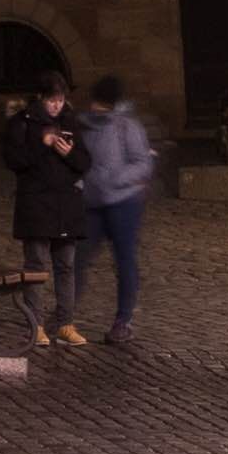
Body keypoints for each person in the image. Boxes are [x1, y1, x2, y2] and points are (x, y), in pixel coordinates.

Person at [2, 75, 100, 345]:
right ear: (41, 98)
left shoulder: (71, 121)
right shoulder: (22, 123)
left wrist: (69, 153)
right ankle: (36, 326)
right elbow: (14, 160)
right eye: (52, 100)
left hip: (66, 206)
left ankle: (65, 324)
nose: (57, 105)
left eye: (60, 100)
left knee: (66, 266)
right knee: (36, 266)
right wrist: (42, 146)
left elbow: (84, 163)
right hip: (36, 205)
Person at [71, 74, 158, 339]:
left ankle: (123, 320)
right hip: (92, 204)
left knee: (124, 261)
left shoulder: (127, 127)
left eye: (101, 102)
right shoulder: (83, 126)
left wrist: (114, 179)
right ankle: (65, 314)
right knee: (78, 259)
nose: (96, 107)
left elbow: (143, 163)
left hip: (124, 203)